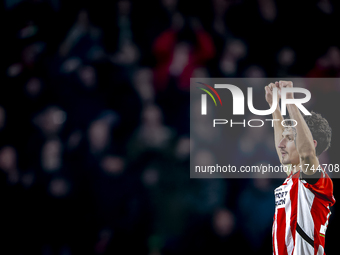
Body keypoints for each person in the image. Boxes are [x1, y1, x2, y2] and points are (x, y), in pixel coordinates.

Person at [265, 81, 335, 255]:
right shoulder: (294, 178)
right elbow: (284, 154)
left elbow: (306, 154)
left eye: (289, 138)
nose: (281, 144)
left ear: (310, 144)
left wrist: (290, 101)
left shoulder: (318, 181)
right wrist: (275, 107)